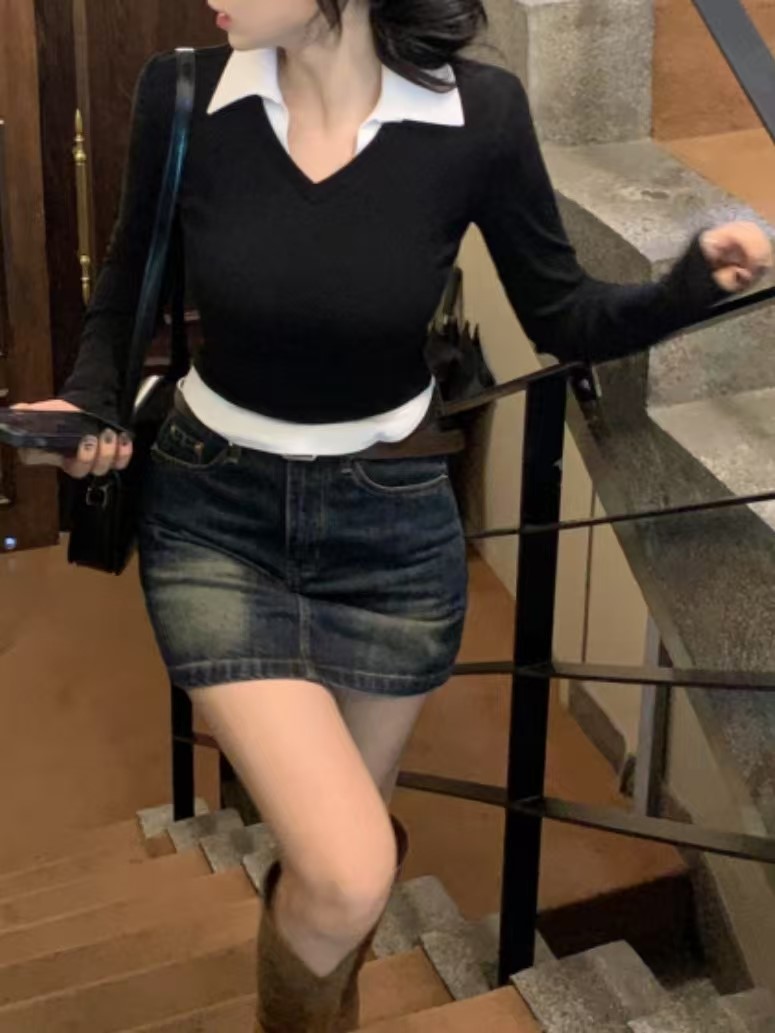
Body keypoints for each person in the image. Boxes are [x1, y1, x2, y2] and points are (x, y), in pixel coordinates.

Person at [14, 0, 773, 1029]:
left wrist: (688, 286)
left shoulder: (479, 116)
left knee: (346, 857)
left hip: (392, 528)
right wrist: (91, 403)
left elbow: (562, 313)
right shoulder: (183, 93)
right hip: (213, 515)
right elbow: (125, 292)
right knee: (348, 865)